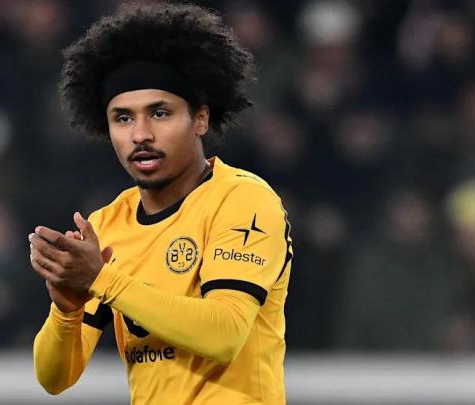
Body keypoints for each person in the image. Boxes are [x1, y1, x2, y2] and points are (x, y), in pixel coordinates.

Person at [29, 3, 293, 404]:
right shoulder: (108, 224)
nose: (141, 134)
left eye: (160, 113)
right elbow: (54, 379)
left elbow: (225, 334)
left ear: (200, 119)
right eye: (123, 118)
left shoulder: (242, 199)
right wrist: (65, 310)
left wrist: (102, 279)